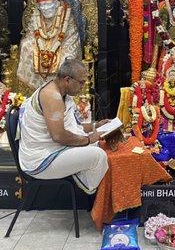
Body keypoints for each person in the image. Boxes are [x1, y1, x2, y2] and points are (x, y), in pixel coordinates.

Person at [18, 58, 109, 194]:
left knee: (103, 147)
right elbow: (59, 135)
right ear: (67, 80)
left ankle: (90, 185)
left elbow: (73, 128)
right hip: (41, 159)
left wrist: (95, 126)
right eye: (81, 82)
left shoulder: (63, 94)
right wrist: (90, 139)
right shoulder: (51, 97)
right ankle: (88, 193)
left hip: (56, 149)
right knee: (98, 156)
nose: (83, 86)